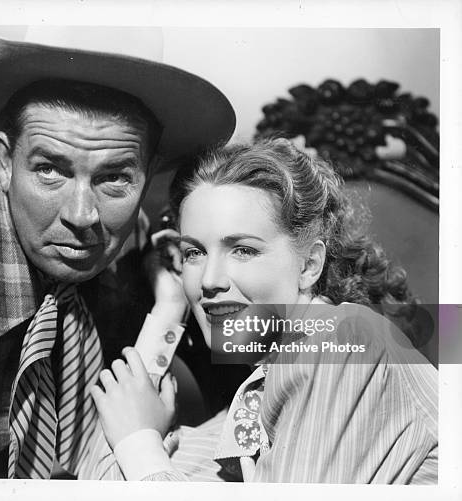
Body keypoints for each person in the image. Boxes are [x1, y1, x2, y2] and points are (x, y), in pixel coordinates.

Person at [0, 32, 235, 478]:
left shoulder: (127, 237)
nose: (82, 216)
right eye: (49, 170)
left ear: (147, 173)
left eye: (114, 177)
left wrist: (172, 301)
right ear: (5, 160)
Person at [90, 138, 438, 483]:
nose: (209, 281)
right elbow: (100, 475)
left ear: (309, 265)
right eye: (194, 253)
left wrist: (140, 446)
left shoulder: (342, 342)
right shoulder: (261, 390)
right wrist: (169, 307)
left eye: (243, 250)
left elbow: (135, 449)